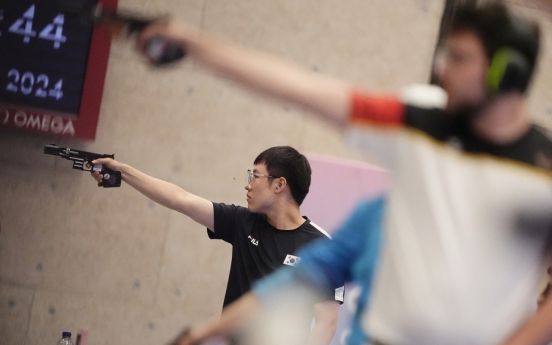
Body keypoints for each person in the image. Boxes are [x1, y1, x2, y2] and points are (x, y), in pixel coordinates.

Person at [135, 2, 552, 345]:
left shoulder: (544, 176)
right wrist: (194, 44)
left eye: (460, 59)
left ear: (507, 72)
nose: (444, 70)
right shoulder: (420, 124)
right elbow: (300, 89)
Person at [90, 146, 343, 345]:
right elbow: (181, 199)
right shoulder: (243, 222)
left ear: (279, 184)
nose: (248, 184)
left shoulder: (321, 247)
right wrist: (123, 171)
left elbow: (326, 324)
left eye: (255, 176)